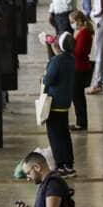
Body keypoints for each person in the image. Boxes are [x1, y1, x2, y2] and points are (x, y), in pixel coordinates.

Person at [42, 32, 77, 175]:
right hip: (65, 103)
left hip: (54, 103)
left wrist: (43, 79)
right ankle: (69, 165)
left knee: (55, 136)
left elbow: (48, 79)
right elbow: (56, 63)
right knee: (64, 135)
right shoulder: (70, 59)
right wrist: (50, 47)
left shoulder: (57, 61)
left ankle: (60, 166)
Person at [70, 11, 94, 131]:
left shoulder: (84, 33)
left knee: (78, 97)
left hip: (79, 68)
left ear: (79, 21)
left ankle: (81, 123)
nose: (71, 24)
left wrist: (68, 49)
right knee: (77, 97)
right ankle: (80, 121)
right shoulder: (81, 32)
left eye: (73, 22)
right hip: (79, 66)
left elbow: (79, 52)